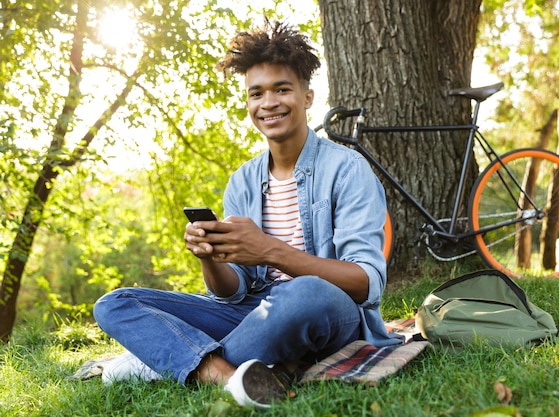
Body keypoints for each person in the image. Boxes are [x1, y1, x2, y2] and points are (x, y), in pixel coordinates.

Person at [93, 19, 400, 408]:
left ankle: (164, 359)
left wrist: (270, 250)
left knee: (301, 293)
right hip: (251, 313)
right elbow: (231, 291)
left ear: (307, 96)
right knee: (116, 304)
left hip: (327, 310)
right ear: (248, 103)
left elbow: (366, 283)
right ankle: (222, 375)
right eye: (257, 93)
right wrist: (210, 258)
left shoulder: (347, 169)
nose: (268, 102)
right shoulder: (242, 181)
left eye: (282, 89)